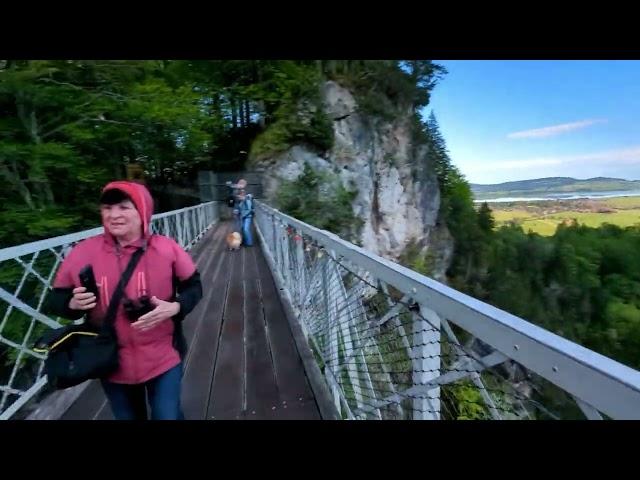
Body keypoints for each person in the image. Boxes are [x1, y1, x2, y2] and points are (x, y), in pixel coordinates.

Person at [46, 180, 203, 420]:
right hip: (111, 360)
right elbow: (56, 299)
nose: (113, 215)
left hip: (163, 354)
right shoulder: (83, 252)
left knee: (167, 415)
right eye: (107, 209)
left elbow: (194, 286)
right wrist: (72, 304)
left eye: (123, 207)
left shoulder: (166, 248)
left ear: (142, 211)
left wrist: (176, 307)